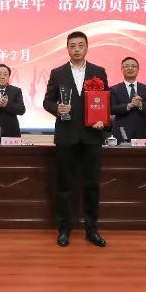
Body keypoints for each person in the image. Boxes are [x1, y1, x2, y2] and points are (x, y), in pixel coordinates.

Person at [42, 31, 109, 247]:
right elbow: (47, 101)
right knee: (64, 186)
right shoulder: (58, 73)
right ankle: (64, 230)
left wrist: (103, 121)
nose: (77, 49)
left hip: (92, 136)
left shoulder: (98, 72)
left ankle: (92, 230)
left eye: (81, 45)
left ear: (87, 47)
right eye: (73, 46)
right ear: (67, 48)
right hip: (67, 136)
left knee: (92, 185)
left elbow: (104, 102)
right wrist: (57, 109)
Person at [109, 56, 146, 142]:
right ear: (121, 69)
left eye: (133, 66)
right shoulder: (114, 89)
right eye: (127, 66)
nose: (130, 68)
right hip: (121, 132)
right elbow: (111, 109)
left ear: (138, 69)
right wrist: (129, 105)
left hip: (142, 132)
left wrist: (141, 104)